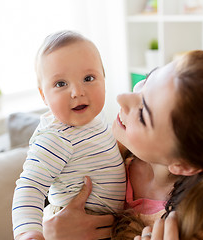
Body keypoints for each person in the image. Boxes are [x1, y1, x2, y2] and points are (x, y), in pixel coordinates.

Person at [41, 50, 203, 240]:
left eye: (144, 113)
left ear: (185, 164)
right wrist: (51, 231)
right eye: (148, 79)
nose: (122, 98)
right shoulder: (105, 150)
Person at [12, 30, 126, 240]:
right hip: (76, 226)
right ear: (43, 96)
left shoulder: (97, 121)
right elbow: (30, 186)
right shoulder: (56, 138)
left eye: (88, 78)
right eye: (61, 84)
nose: (77, 92)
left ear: (104, 79)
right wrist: (27, 233)